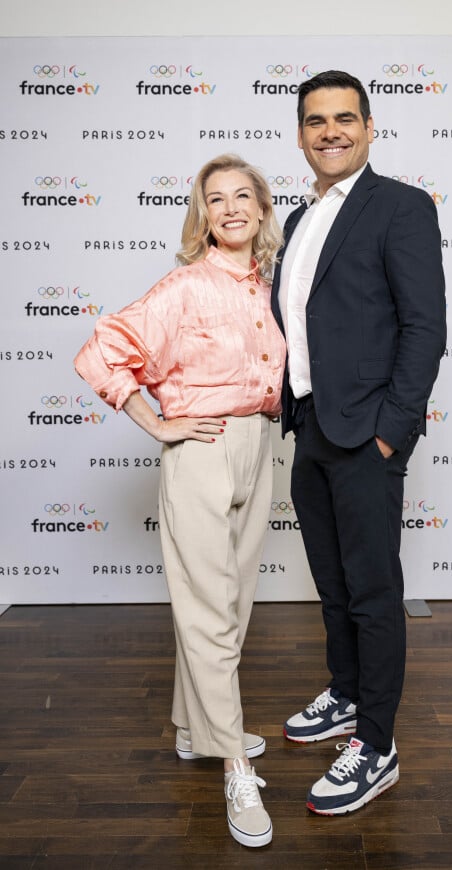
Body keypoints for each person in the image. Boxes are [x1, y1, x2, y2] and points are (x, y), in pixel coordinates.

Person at [74, 153, 286, 848]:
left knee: (229, 602)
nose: (228, 208)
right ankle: (231, 765)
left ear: (260, 207)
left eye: (241, 195)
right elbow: (104, 349)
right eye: (214, 198)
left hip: (260, 444)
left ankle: (196, 730)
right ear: (203, 214)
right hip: (201, 451)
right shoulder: (185, 286)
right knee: (208, 610)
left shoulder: (271, 286)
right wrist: (159, 423)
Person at [271, 70, 446, 816]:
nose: (331, 131)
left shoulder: (400, 206)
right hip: (310, 427)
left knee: (373, 595)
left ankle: (376, 745)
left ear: (370, 129)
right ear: (301, 133)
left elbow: (424, 328)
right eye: (316, 120)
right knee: (334, 586)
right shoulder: (299, 217)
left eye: (346, 118)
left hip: (366, 435)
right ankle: (346, 696)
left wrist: (390, 434)